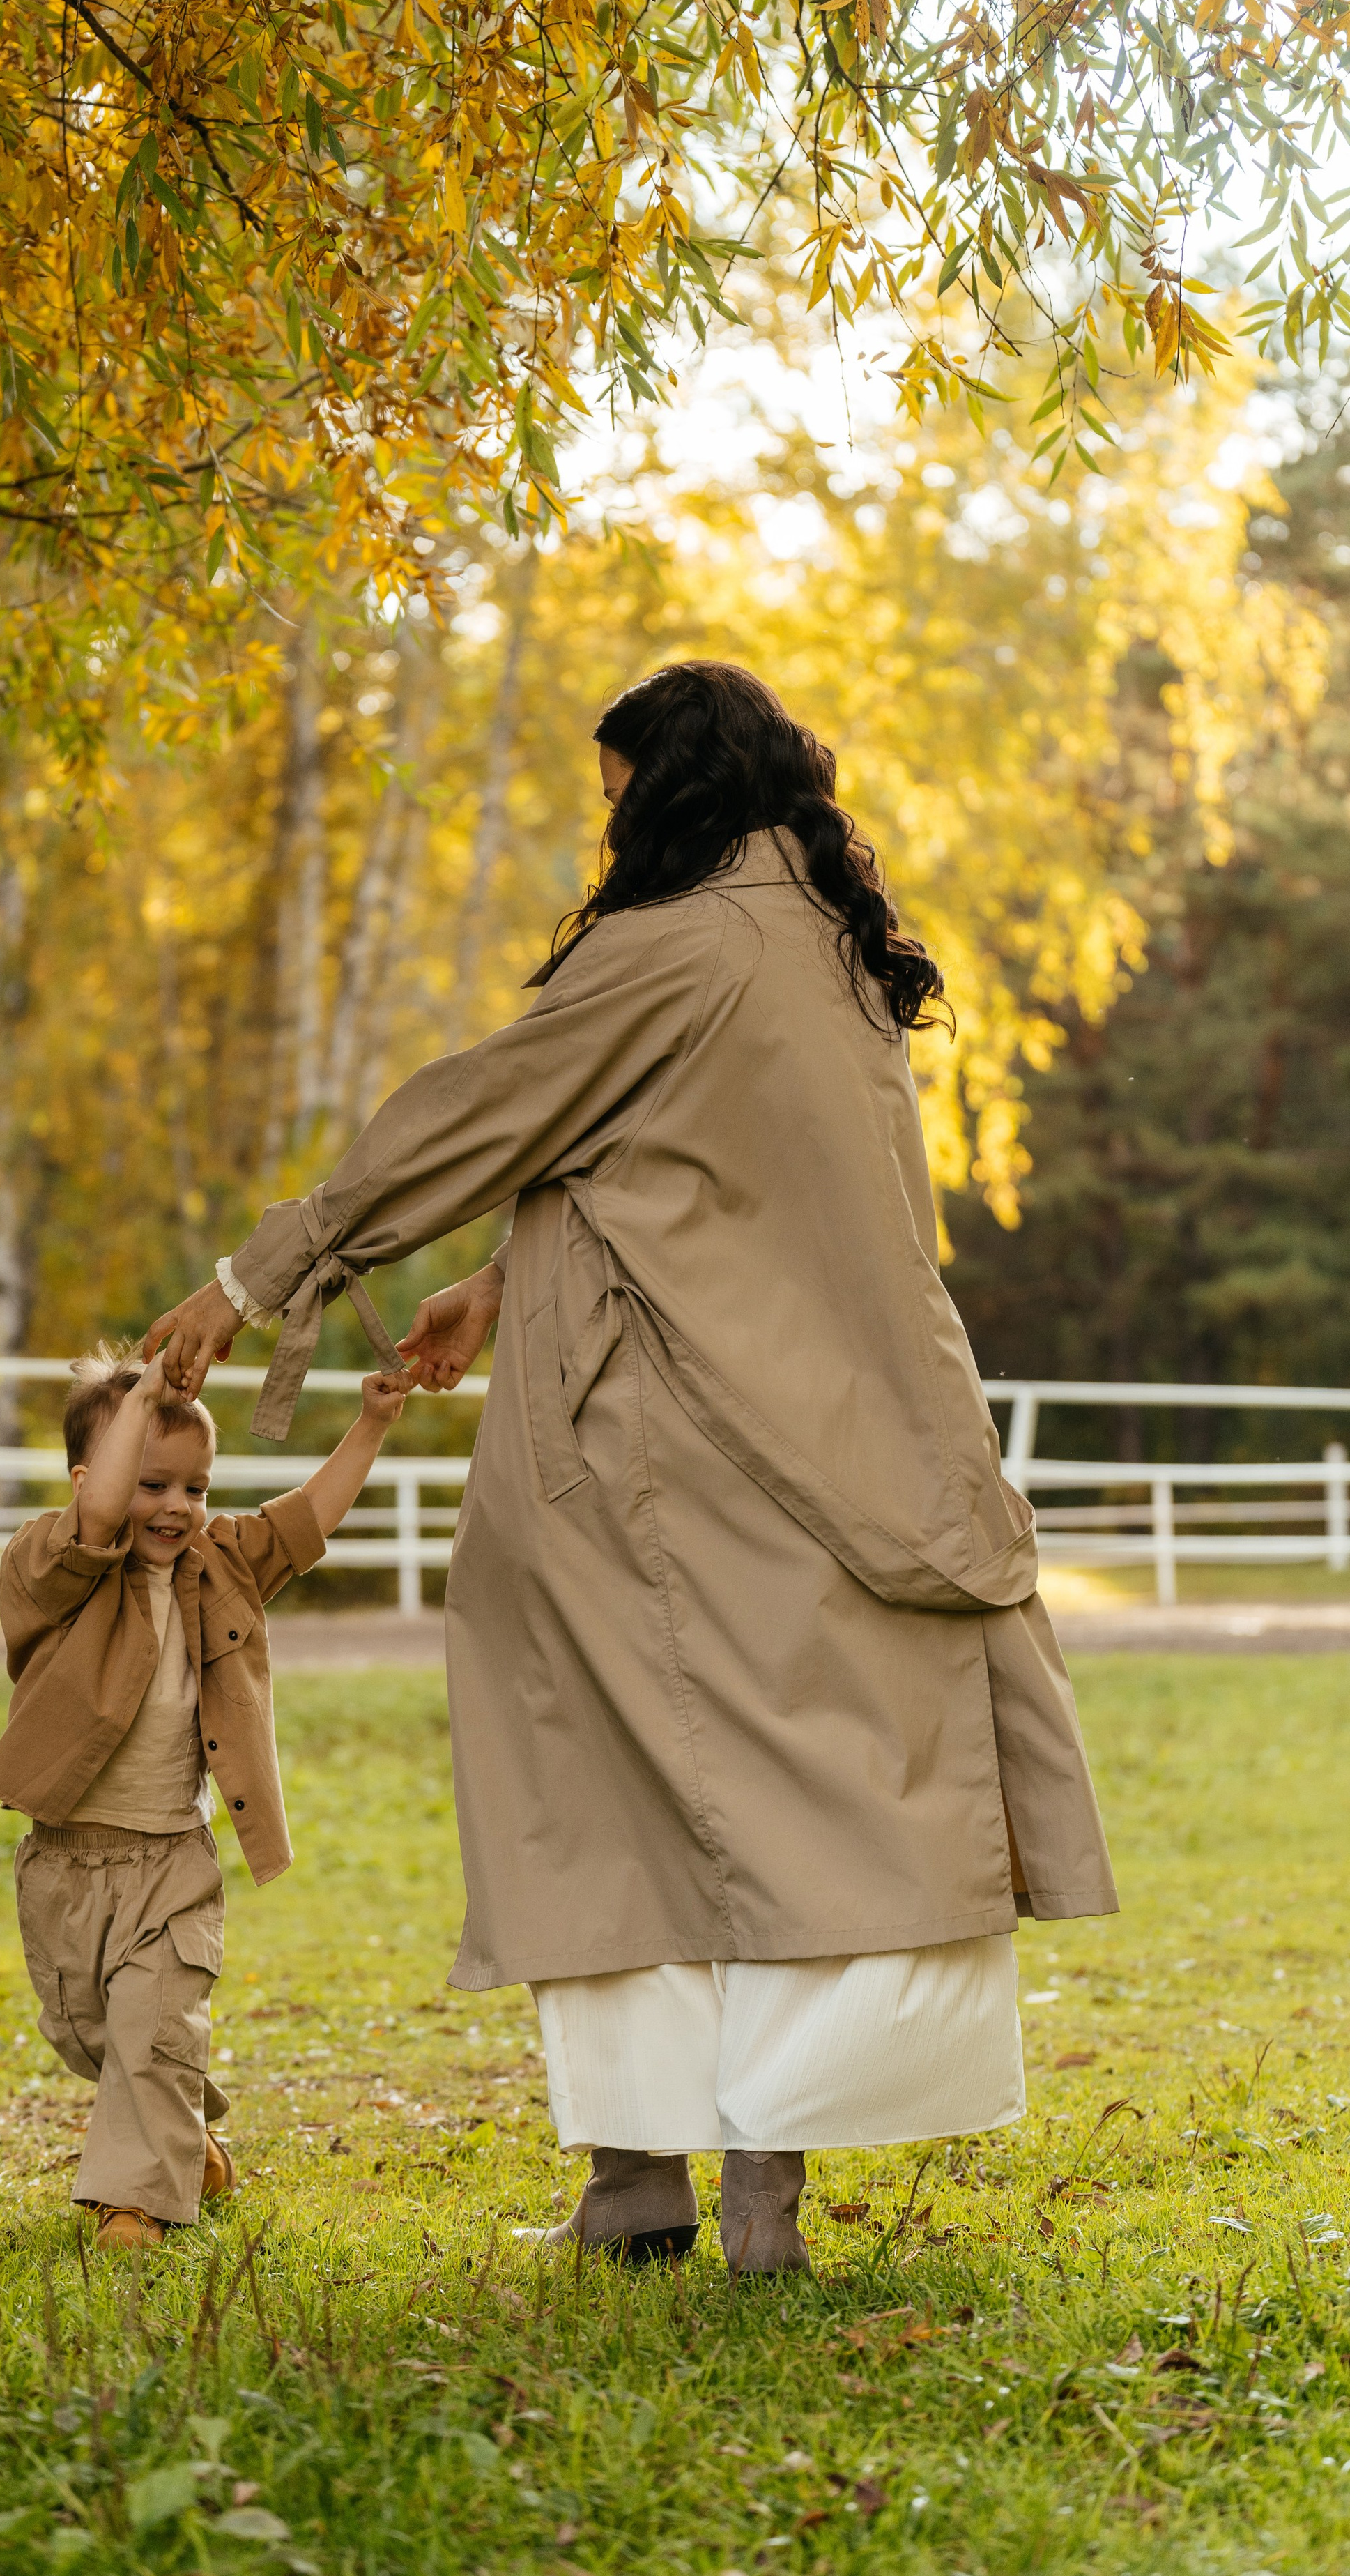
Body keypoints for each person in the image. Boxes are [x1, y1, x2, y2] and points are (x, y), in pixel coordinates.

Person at [146, 660, 1118, 2280]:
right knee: (787, 1801)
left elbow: (478, 1113)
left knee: (599, 1785)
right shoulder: (826, 946)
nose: (605, 831)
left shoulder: (672, 946)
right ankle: (692, 2194)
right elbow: (703, 1182)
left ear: (672, 789)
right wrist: (495, 1283)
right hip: (827, 1440)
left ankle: (671, 2185)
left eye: (615, 797)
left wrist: (254, 1280)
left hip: (653, 1451)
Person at [0, 1339, 407, 2249]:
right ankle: (186, 2137)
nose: (178, 1506)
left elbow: (305, 1521)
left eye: (195, 1487)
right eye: (153, 1483)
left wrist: (372, 1424)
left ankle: (133, 2205)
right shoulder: (46, 1568)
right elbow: (97, 1520)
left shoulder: (220, 1565)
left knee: (156, 2022)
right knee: (91, 2033)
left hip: (172, 1857)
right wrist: (145, 1392)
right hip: (66, 1862)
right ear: (90, 1480)